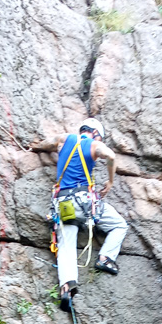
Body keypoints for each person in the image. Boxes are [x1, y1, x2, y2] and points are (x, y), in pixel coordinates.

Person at [52, 118, 128, 311]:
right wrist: (110, 181)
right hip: (84, 202)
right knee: (119, 225)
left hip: (64, 204)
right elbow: (110, 155)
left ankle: (67, 288)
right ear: (95, 133)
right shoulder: (93, 144)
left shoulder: (64, 139)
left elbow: (46, 143)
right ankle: (105, 258)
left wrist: (33, 147)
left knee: (66, 245)